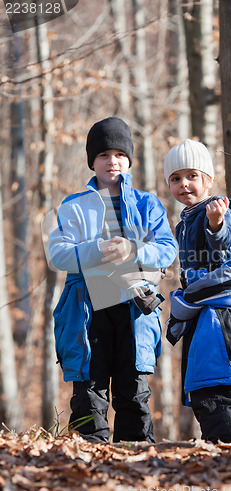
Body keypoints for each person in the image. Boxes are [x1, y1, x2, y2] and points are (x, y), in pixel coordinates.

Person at [47, 117, 178, 443]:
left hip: (135, 309)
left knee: (133, 391)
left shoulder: (148, 204)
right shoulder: (73, 206)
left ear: (129, 159)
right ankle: (89, 467)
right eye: (104, 155)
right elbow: (58, 254)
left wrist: (134, 249)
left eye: (120, 154)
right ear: (92, 161)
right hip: (85, 311)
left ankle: (138, 468)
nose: (112, 161)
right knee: (88, 393)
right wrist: (97, 250)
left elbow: (167, 250)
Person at [164, 138, 231, 444]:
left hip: (223, 321)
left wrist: (217, 223)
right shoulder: (184, 221)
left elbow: (224, 253)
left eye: (192, 176)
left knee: (219, 395)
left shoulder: (215, 209)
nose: (184, 184)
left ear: (208, 180)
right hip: (203, 316)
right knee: (207, 398)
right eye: (175, 178)